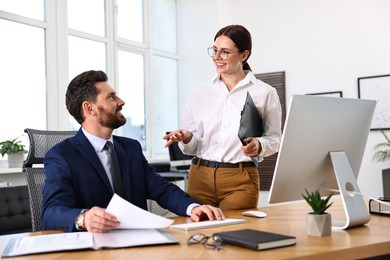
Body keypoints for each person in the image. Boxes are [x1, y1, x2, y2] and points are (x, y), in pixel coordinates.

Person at [42, 70, 224, 233]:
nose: (121, 102)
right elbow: (51, 212)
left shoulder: (130, 148)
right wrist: (83, 217)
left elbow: (161, 189)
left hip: (139, 243)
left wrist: (192, 208)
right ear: (90, 108)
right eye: (111, 97)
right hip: (94, 247)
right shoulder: (62, 155)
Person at [163, 24, 282, 210]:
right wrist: (187, 138)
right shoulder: (199, 92)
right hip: (199, 176)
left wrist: (259, 145)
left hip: (240, 178)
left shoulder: (265, 92)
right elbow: (192, 146)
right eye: (215, 50)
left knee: (236, 233)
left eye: (225, 52)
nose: (217, 57)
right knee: (199, 235)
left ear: (244, 55)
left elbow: (275, 139)